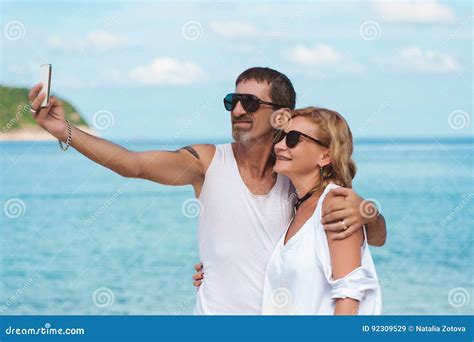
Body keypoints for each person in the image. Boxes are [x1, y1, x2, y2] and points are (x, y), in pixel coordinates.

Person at [28, 67, 386, 315]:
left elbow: (363, 243)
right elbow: (130, 164)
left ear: (282, 116)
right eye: (233, 101)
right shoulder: (207, 162)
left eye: (251, 103)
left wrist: (368, 212)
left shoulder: (297, 179)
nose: (238, 110)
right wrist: (65, 131)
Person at [260, 107, 381, 315]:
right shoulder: (297, 206)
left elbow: (349, 296)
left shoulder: (335, 205)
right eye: (281, 136)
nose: (279, 145)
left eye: (293, 139)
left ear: (326, 156)